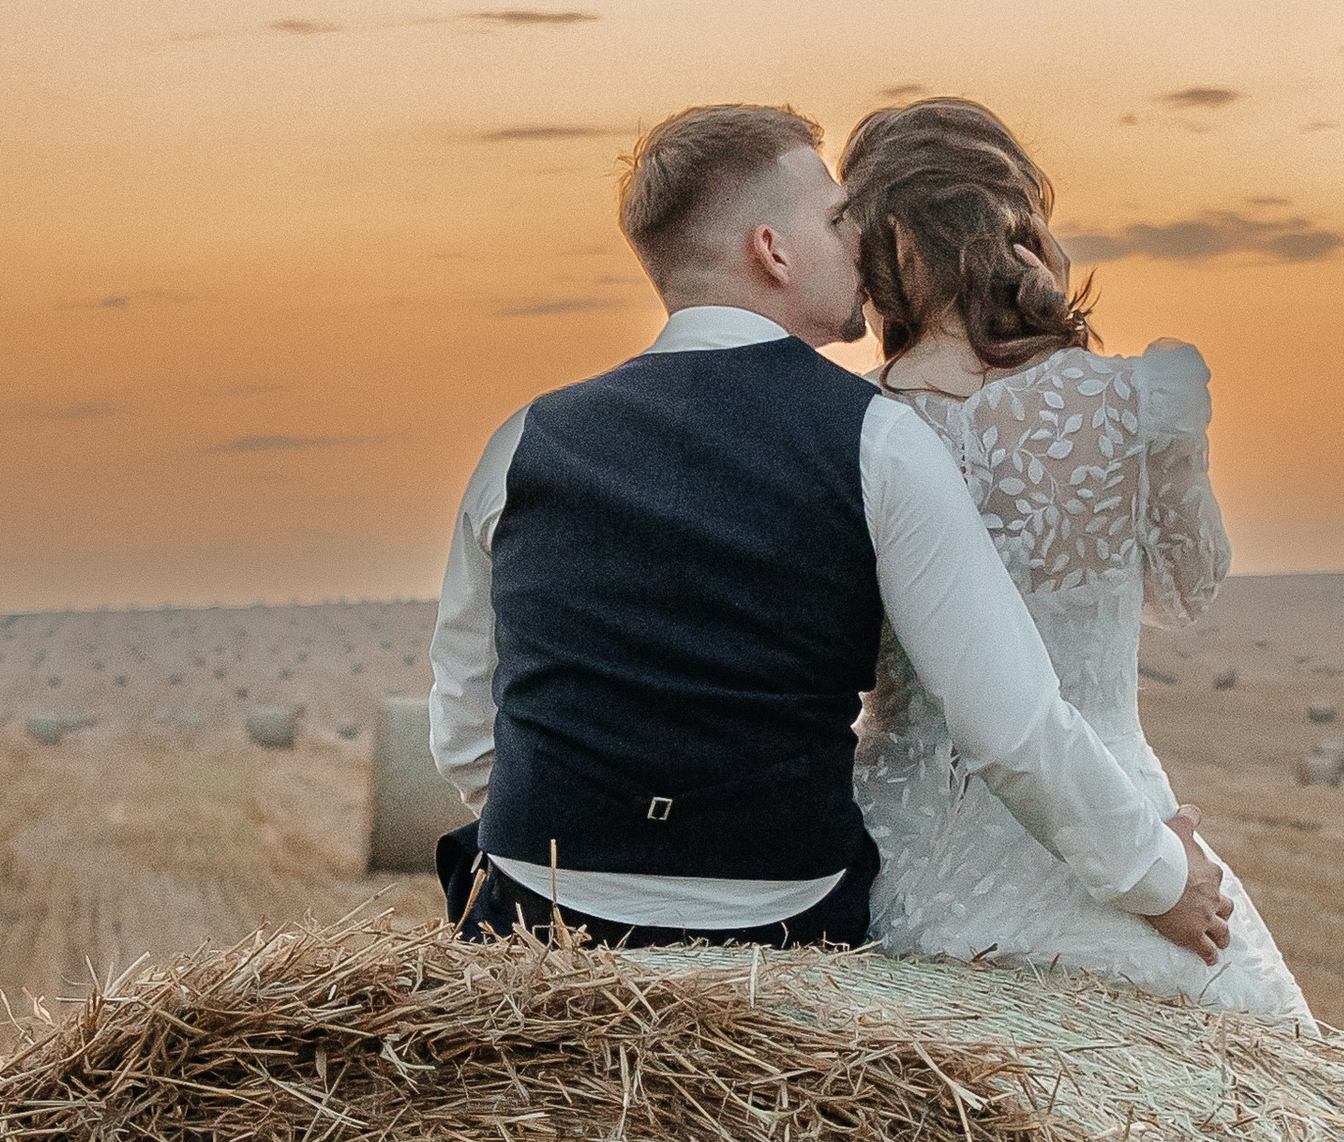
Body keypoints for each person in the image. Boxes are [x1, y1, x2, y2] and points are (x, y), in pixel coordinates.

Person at [428, 102, 1235, 957]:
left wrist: (572, 847)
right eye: (838, 219)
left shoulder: (521, 440)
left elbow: (463, 717)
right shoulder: (878, 438)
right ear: (771, 250)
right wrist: (1161, 878)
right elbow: (1008, 721)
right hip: (776, 921)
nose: (864, 243)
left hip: (534, 911)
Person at [839, 95, 1312, 1024]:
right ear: (1018, 215)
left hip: (901, 848)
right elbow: (1187, 587)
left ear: (880, 248)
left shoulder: (844, 418)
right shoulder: (1140, 396)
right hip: (1113, 821)